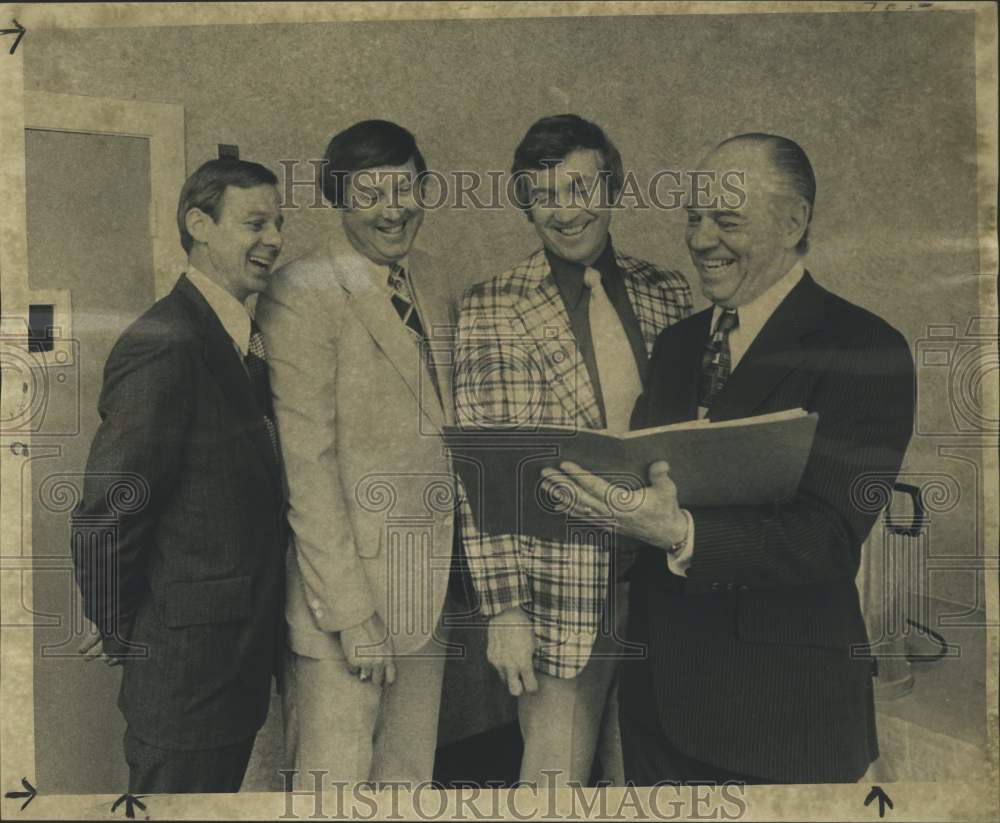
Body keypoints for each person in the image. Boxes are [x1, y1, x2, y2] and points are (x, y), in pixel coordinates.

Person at [541, 133, 916, 784]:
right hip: (657, 710)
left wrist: (678, 531)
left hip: (779, 717)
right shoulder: (679, 345)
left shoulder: (867, 348)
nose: (700, 238)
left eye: (726, 218)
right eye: (693, 217)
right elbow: (641, 475)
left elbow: (827, 538)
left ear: (794, 222)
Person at [453, 114, 692, 786]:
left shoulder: (666, 291)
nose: (566, 210)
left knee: (646, 781)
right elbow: (483, 474)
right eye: (545, 194)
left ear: (612, 187)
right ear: (527, 203)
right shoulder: (492, 305)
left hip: (663, 590)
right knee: (553, 785)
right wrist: (503, 610)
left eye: (581, 187)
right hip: (560, 598)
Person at [72, 158, 288, 793]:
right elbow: (111, 506)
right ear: (199, 224)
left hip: (227, 670)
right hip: (184, 676)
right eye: (255, 222)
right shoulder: (166, 340)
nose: (274, 239)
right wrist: (116, 625)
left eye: (278, 223)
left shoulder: (232, 337)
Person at [256, 120, 457, 784]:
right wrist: (350, 613)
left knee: (406, 782)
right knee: (331, 787)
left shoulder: (431, 279)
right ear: (339, 201)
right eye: (369, 193)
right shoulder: (302, 290)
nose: (392, 208)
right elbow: (305, 468)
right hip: (344, 608)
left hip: (424, 597)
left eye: (405, 187)